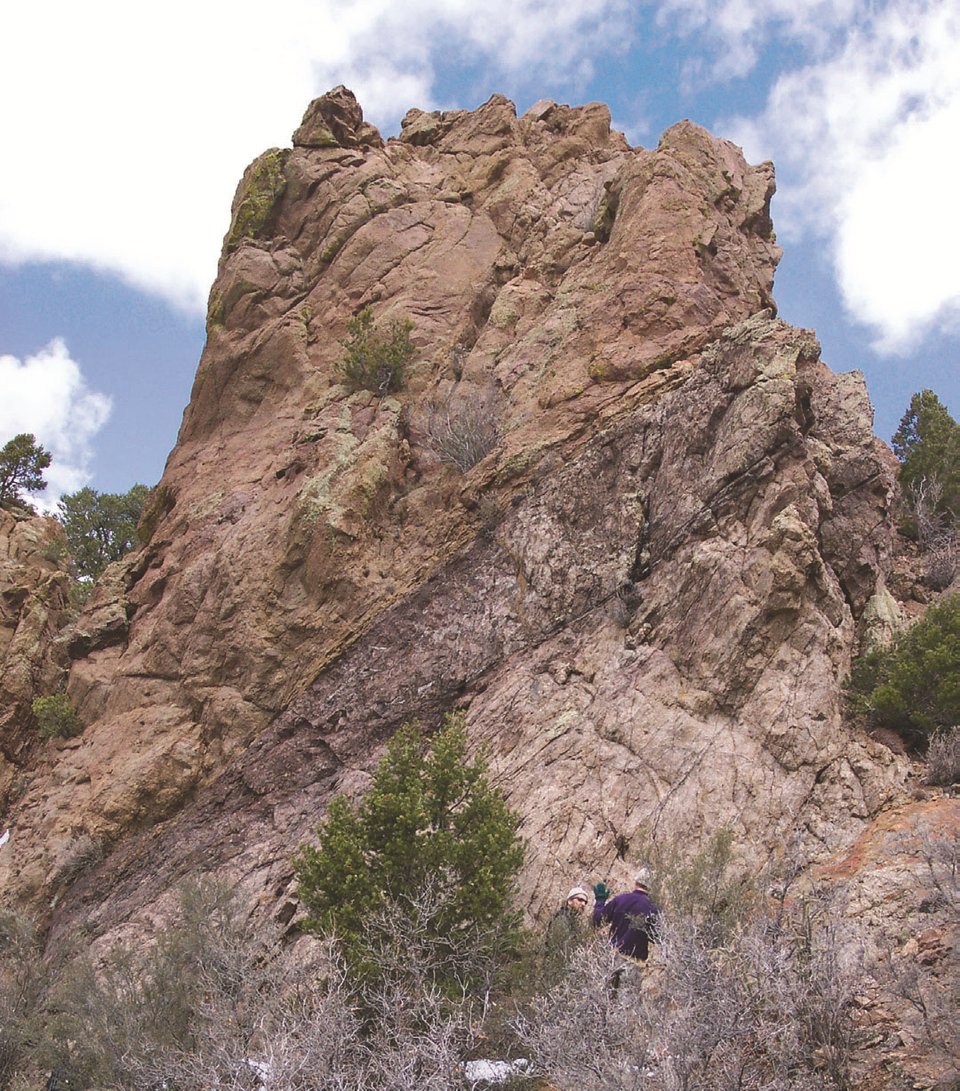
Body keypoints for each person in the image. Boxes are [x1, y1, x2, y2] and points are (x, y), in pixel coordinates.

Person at [592, 870, 660, 969]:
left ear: (636, 882)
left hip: (613, 958)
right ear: (651, 887)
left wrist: (600, 901)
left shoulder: (620, 899)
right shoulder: (652, 908)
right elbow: (657, 937)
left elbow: (598, 921)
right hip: (636, 962)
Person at [545, 885, 591, 965]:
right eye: (580, 900)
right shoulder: (562, 919)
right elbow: (560, 947)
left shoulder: (573, 921)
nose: (583, 904)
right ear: (570, 901)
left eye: (585, 902)